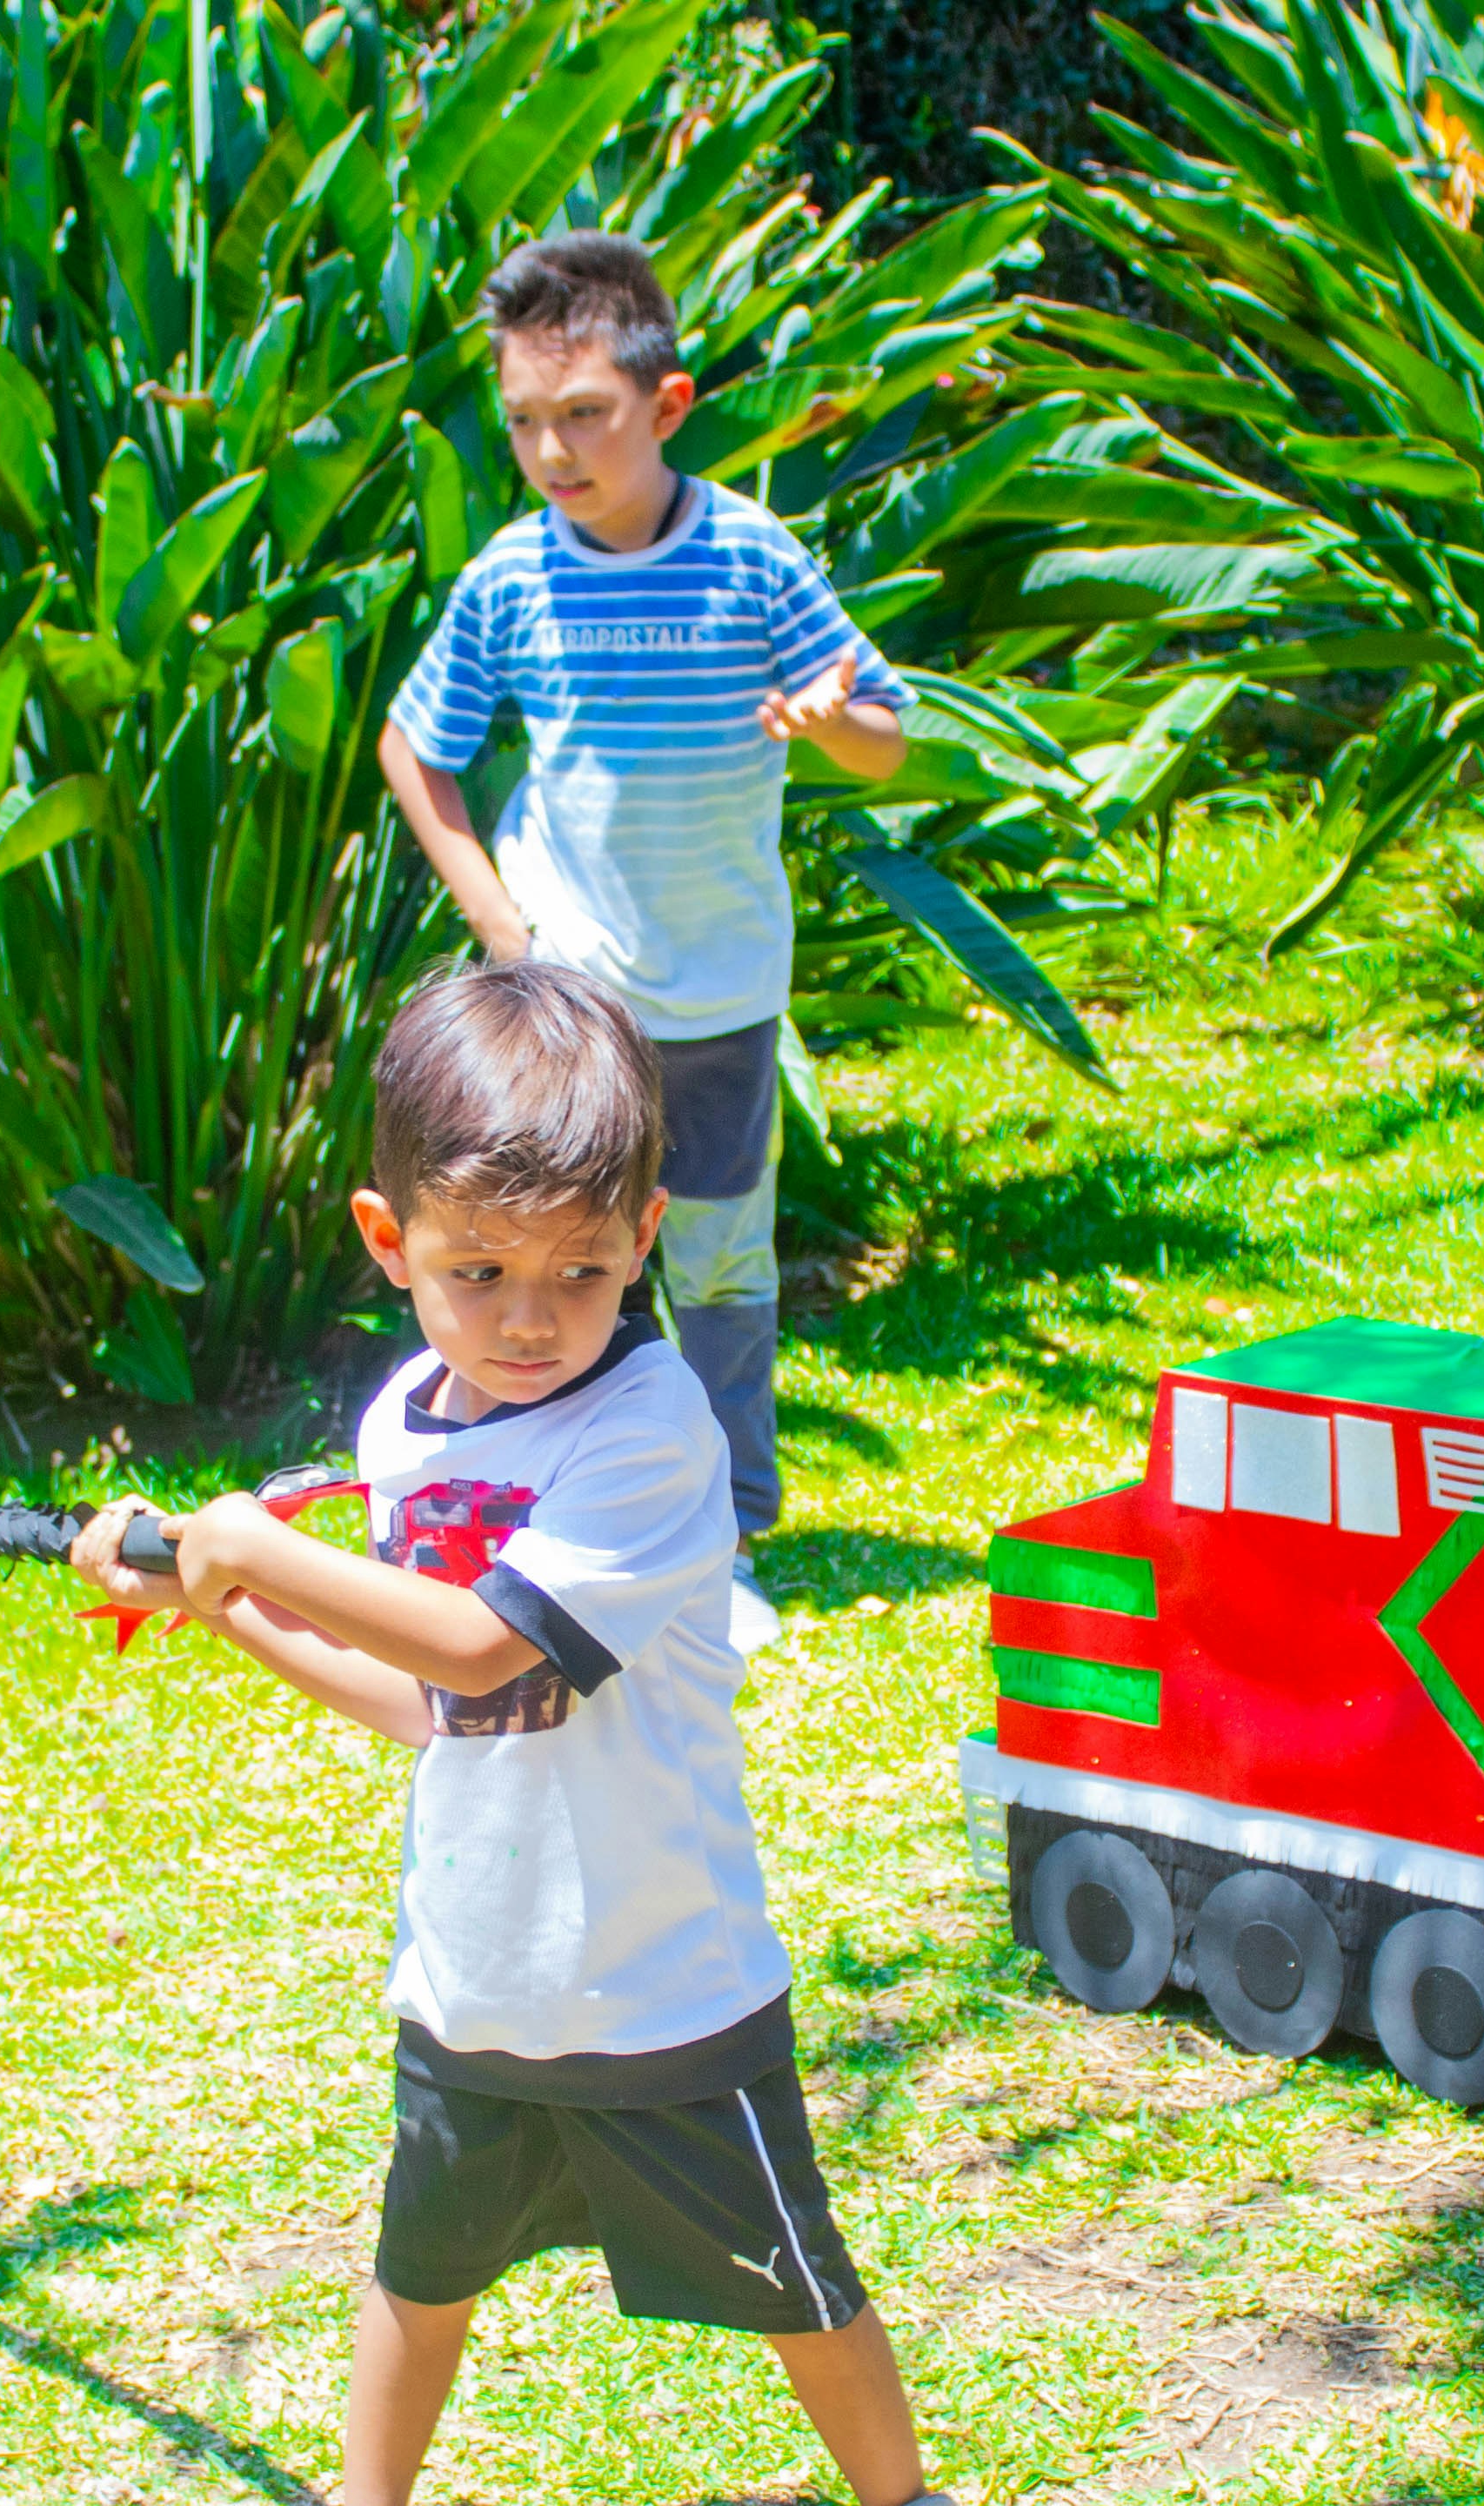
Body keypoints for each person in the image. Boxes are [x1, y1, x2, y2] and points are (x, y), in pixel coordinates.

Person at [75, 959, 1040, 2506]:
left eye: (584, 1273)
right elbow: (429, 1708)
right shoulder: (403, 1432)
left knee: (797, 2279)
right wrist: (221, 1605)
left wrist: (238, 1541)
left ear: (649, 1236)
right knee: (415, 2276)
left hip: (664, 1974)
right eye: (477, 1273)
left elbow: (481, 1640)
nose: (530, 1317)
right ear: (389, 1237)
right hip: (481, 1969)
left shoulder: (653, 1429)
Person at [376, 229, 914, 1654]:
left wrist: (829, 722)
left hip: (723, 998)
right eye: (527, 424)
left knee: (720, 1273)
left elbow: (882, 735)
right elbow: (413, 748)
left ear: (667, 407)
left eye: (587, 418)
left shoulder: (753, 557)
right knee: (561, 1271)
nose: (554, 451)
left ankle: (724, 1535)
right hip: (574, 1006)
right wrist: (502, 924)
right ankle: (562, 1524)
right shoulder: (506, 579)